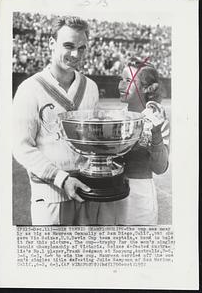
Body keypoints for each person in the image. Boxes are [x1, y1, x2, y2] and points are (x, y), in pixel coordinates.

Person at [13, 16, 99, 225]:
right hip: (50, 194)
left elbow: (94, 142)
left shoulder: (91, 87)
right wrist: (62, 178)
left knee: (87, 256)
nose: (75, 54)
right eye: (68, 46)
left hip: (87, 191)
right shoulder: (30, 88)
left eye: (81, 48)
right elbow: (21, 147)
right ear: (51, 43)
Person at [112, 57, 170, 225]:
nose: (121, 85)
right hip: (111, 193)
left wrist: (156, 133)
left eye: (128, 80)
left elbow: (160, 168)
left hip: (139, 196)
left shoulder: (158, 119)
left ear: (147, 88)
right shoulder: (115, 117)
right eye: (120, 80)